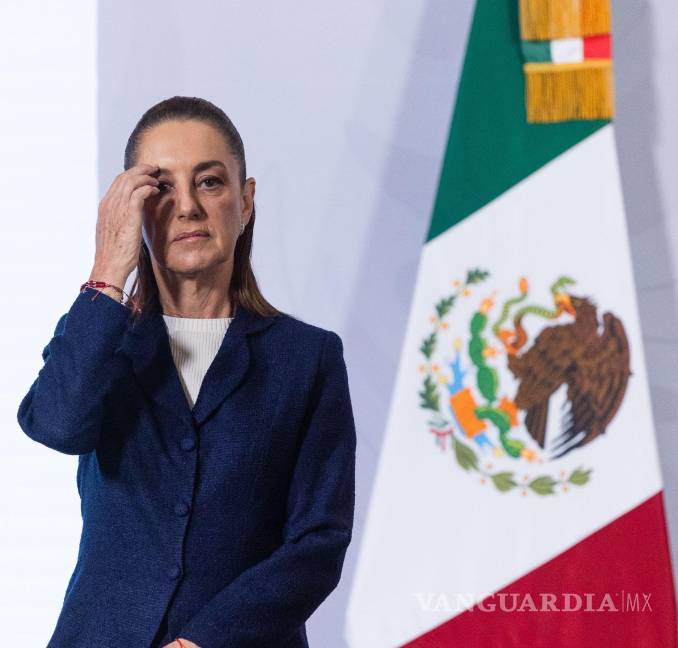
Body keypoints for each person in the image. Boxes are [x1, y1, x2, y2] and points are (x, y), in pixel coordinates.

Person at [17, 96, 356, 648]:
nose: (188, 208)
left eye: (210, 182)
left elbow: (318, 543)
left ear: (245, 200)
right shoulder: (101, 338)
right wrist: (107, 269)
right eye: (161, 188)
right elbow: (55, 425)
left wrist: (204, 642)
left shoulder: (307, 357)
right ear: (131, 208)